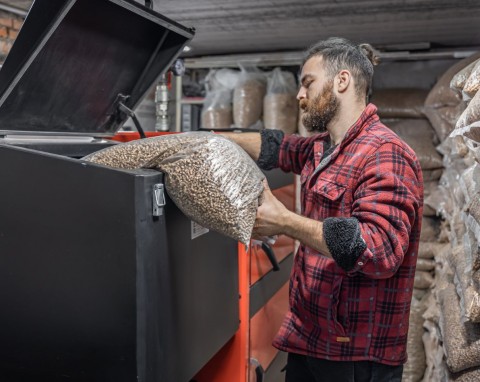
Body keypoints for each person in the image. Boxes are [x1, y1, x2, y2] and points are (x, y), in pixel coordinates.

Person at [224, 37, 423, 382]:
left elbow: (377, 250)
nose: (300, 96)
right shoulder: (324, 148)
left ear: (341, 81)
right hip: (311, 340)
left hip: (354, 356)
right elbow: (280, 147)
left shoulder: (385, 153)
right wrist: (217, 139)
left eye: (307, 83)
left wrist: (284, 221)